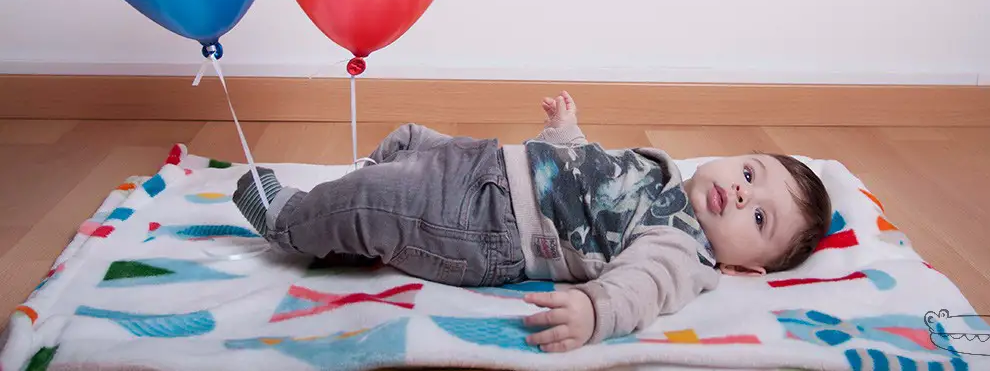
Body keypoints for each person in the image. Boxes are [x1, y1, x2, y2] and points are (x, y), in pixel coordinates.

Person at [233, 91, 831, 352]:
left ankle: (293, 218)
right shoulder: (663, 175)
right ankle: (352, 234)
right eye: (750, 174)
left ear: (743, 265)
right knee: (412, 141)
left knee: (383, 201)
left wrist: (599, 310)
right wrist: (566, 135)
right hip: (492, 164)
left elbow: (644, 287)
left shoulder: (683, 247)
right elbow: (583, 177)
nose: (738, 193)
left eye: (759, 217)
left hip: (485, 227)